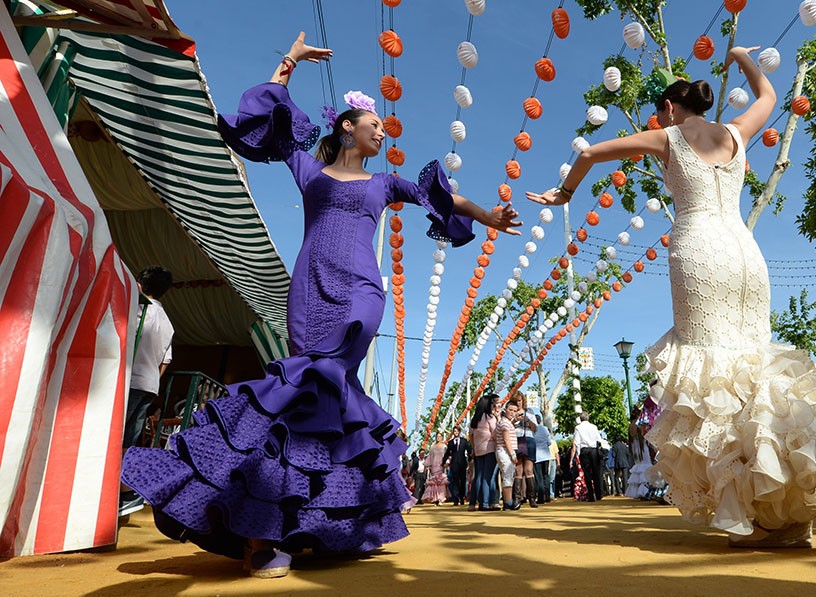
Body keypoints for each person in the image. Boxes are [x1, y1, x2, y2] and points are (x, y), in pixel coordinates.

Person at [119, 33, 521, 579]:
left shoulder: (384, 183)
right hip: (309, 288)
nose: (383, 129)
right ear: (347, 127)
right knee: (309, 397)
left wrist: (486, 217)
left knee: (323, 380)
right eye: (374, 122)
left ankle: (277, 534)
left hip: (361, 290)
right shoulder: (309, 171)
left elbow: (440, 198)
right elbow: (271, 119)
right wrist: (289, 62)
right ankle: (297, 526)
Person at [529, 46, 816, 548]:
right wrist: (739, 55)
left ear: (669, 108)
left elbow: (588, 153)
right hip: (745, 254)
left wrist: (565, 194)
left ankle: (763, 511)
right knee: (759, 367)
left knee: (714, 378)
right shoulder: (735, 132)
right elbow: (770, 93)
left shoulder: (668, 135)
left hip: (697, 252)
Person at [118, 266, 174, 518]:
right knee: (130, 439)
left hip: (128, 380)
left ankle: (118, 492)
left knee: (114, 438)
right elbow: (166, 360)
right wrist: (152, 379)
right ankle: (126, 491)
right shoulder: (167, 322)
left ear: (139, 285)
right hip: (149, 384)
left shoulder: (137, 310)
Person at [469, 394, 501, 511]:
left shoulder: (475, 419)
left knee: (478, 477)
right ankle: (485, 503)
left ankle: (473, 503)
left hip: (478, 450)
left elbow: (471, 435)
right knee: (487, 477)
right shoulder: (489, 418)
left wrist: (474, 447)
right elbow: (495, 433)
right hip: (490, 449)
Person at [510, 393, 539, 507]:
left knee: (529, 470)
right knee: (518, 470)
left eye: (520, 400)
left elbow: (535, 428)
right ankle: (517, 498)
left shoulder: (530, 412)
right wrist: (514, 420)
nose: (519, 403)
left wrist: (527, 420)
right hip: (516, 440)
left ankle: (532, 498)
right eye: (516, 401)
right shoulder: (511, 413)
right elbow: (507, 427)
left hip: (529, 439)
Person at [569, 412, 602, 502]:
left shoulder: (578, 428)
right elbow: (598, 440)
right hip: (593, 450)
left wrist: (577, 454)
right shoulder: (594, 427)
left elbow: (576, 442)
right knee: (596, 472)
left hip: (584, 451)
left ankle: (591, 495)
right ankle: (599, 494)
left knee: (587, 473)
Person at [495, 400, 520, 510]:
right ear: (505, 410)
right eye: (510, 410)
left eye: (515, 411)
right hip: (505, 452)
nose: (512, 412)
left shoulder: (505, 422)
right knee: (508, 477)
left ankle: (508, 502)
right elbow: (506, 439)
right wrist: (513, 454)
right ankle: (508, 503)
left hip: (503, 451)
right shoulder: (505, 423)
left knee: (508, 476)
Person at [443, 426, 472, 506]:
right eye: (454, 431)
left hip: (462, 463)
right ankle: (456, 498)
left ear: (459, 432)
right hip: (454, 463)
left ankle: (462, 497)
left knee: (463, 481)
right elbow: (447, 453)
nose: (455, 433)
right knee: (455, 481)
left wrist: (470, 458)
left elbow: (469, 450)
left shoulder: (464, 441)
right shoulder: (451, 442)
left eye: (456, 431)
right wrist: (443, 462)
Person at [423, 433, 450, 505]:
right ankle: (434, 498)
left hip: (441, 465)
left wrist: (446, 462)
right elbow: (429, 456)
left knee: (441, 482)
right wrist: (427, 465)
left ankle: (441, 498)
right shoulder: (432, 446)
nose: (438, 438)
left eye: (440, 436)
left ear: (442, 437)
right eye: (437, 436)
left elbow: (446, 455)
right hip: (434, 466)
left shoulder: (444, 446)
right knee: (434, 483)